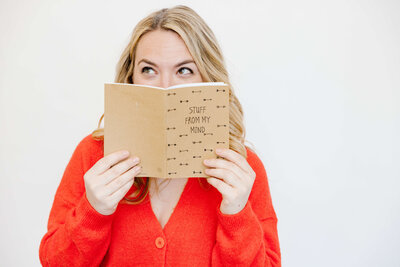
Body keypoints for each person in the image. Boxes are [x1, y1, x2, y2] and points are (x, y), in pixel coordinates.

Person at [39, 5, 281, 266]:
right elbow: (54, 261)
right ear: (131, 78)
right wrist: (93, 210)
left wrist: (237, 214)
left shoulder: (242, 169)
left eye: (184, 70)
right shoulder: (94, 154)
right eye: (149, 70)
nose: (166, 86)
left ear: (207, 77)